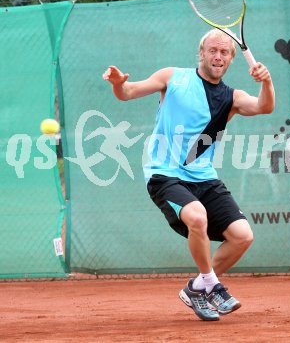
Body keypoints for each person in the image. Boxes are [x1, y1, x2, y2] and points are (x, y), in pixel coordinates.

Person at [103, 28, 275, 321]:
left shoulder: (232, 97)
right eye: (212, 50)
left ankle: (198, 286)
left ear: (232, 59)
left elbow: (264, 106)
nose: (218, 56)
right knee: (197, 216)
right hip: (164, 174)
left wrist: (267, 82)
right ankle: (212, 285)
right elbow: (128, 93)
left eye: (224, 52)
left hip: (204, 176)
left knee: (242, 236)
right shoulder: (172, 77)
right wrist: (119, 84)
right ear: (201, 53)